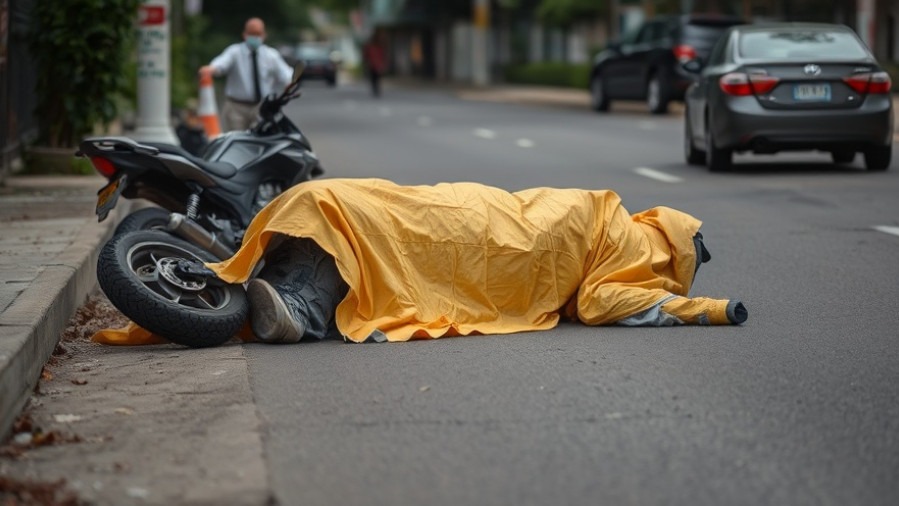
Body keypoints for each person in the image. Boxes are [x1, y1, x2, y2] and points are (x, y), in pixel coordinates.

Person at [204, 178, 748, 345]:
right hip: (511, 232)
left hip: (496, 215)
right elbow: (603, 302)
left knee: (390, 213)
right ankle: (296, 299)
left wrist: (708, 309)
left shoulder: (616, 213)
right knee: (403, 230)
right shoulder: (630, 251)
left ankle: (296, 302)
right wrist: (703, 308)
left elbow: (599, 299)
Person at [199, 17, 293, 131]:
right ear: (245, 34)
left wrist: (290, 83)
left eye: (258, 33)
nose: (255, 37)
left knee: (261, 139)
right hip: (236, 107)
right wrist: (211, 69)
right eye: (252, 33)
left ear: (264, 35)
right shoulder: (235, 52)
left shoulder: (271, 55)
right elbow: (221, 63)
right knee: (237, 139)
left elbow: (285, 74)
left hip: (261, 108)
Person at [362, 31, 386, 97]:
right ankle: (375, 88)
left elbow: (382, 56)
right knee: (373, 78)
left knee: (377, 78)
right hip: (372, 65)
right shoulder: (370, 47)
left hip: (377, 65)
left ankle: (376, 88)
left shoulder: (379, 47)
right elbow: (366, 55)